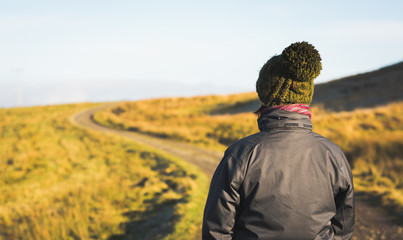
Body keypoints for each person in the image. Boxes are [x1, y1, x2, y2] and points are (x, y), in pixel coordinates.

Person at [202, 42, 354, 240]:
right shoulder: (333, 154)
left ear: (266, 93)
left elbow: (217, 231)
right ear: (306, 95)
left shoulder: (240, 154)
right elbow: (343, 230)